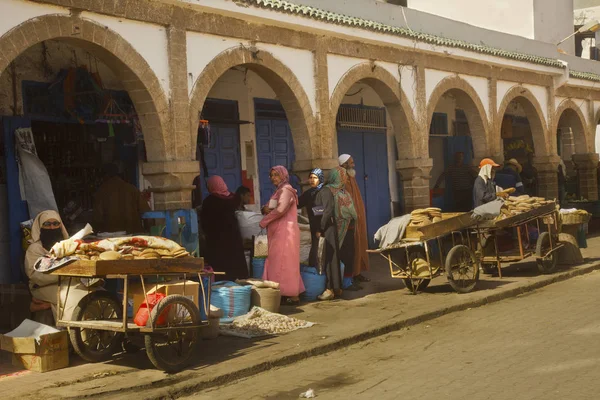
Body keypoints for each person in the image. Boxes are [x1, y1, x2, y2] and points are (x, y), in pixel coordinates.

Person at [25, 211, 95, 322]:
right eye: (47, 224)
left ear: (60, 225)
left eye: (55, 223)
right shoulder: (35, 249)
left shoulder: (67, 245)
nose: (52, 227)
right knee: (75, 299)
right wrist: (63, 273)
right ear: (40, 227)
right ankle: (73, 332)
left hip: (69, 282)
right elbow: (34, 276)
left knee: (96, 293)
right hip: (42, 287)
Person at [260, 166, 305, 305]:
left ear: (283, 176)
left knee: (285, 263)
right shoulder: (279, 191)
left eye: (276, 175)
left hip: (285, 232)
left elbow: (280, 210)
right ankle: (283, 292)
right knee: (278, 262)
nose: (273, 178)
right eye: (272, 175)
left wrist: (264, 221)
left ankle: (291, 294)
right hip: (278, 232)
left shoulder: (286, 190)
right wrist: (264, 209)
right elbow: (267, 207)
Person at [315, 167, 357, 300]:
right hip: (335, 228)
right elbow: (349, 212)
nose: (344, 178)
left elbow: (320, 211)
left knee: (334, 258)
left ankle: (336, 287)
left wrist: (319, 226)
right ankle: (336, 287)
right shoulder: (335, 192)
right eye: (342, 176)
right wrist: (320, 227)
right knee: (336, 258)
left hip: (332, 229)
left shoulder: (324, 191)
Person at [200, 176, 249, 281]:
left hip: (217, 240)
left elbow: (205, 222)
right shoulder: (233, 198)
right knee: (235, 265)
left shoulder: (210, 201)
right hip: (233, 237)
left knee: (220, 267)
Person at [338, 154, 369, 288]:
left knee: (360, 244)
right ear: (344, 164)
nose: (354, 165)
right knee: (351, 248)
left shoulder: (351, 178)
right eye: (351, 162)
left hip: (357, 219)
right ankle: (350, 276)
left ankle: (357, 273)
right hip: (349, 220)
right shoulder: (342, 179)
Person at [93, 164, 150, 234]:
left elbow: (97, 218)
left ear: (105, 176)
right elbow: (147, 213)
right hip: (132, 235)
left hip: (110, 237)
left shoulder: (101, 191)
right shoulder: (132, 189)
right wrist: (148, 231)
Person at [297, 168, 325, 268]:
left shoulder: (323, 192)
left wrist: (319, 229)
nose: (312, 180)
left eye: (315, 178)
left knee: (321, 251)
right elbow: (297, 203)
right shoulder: (309, 193)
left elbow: (320, 213)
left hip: (323, 227)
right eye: (310, 178)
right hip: (315, 226)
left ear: (320, 179)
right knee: (316, 249)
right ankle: (316, 276)